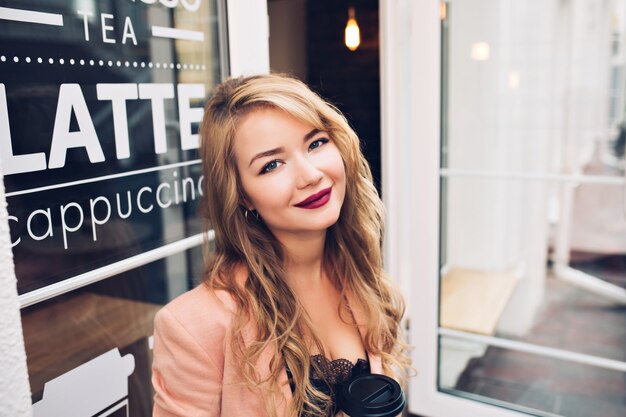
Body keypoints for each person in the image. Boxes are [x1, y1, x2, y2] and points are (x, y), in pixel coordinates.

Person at [151, 74, 410, 417]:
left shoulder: (364, 278)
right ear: (242, 195)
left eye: (315, 143)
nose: (310, 175)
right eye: (272, 164)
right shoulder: (193, 326)